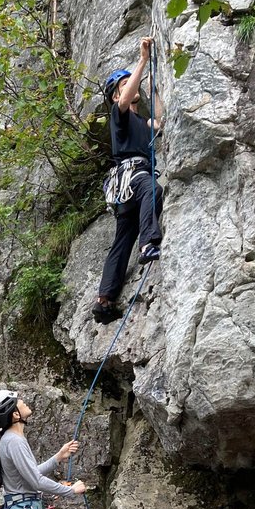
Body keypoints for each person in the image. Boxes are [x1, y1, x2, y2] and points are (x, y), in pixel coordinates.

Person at [92, 36, 164, 323]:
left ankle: (105, 300)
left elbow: (159, 121)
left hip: (127, 189)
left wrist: (154, 86)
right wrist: (143, 60)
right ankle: (148, 244)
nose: (129, 87)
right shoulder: (118, 114)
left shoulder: (142, 122)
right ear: (115, 95)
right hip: (132, 176)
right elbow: (124, 100)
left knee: (122, 239)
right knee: (152, 189)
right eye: (124, 84)